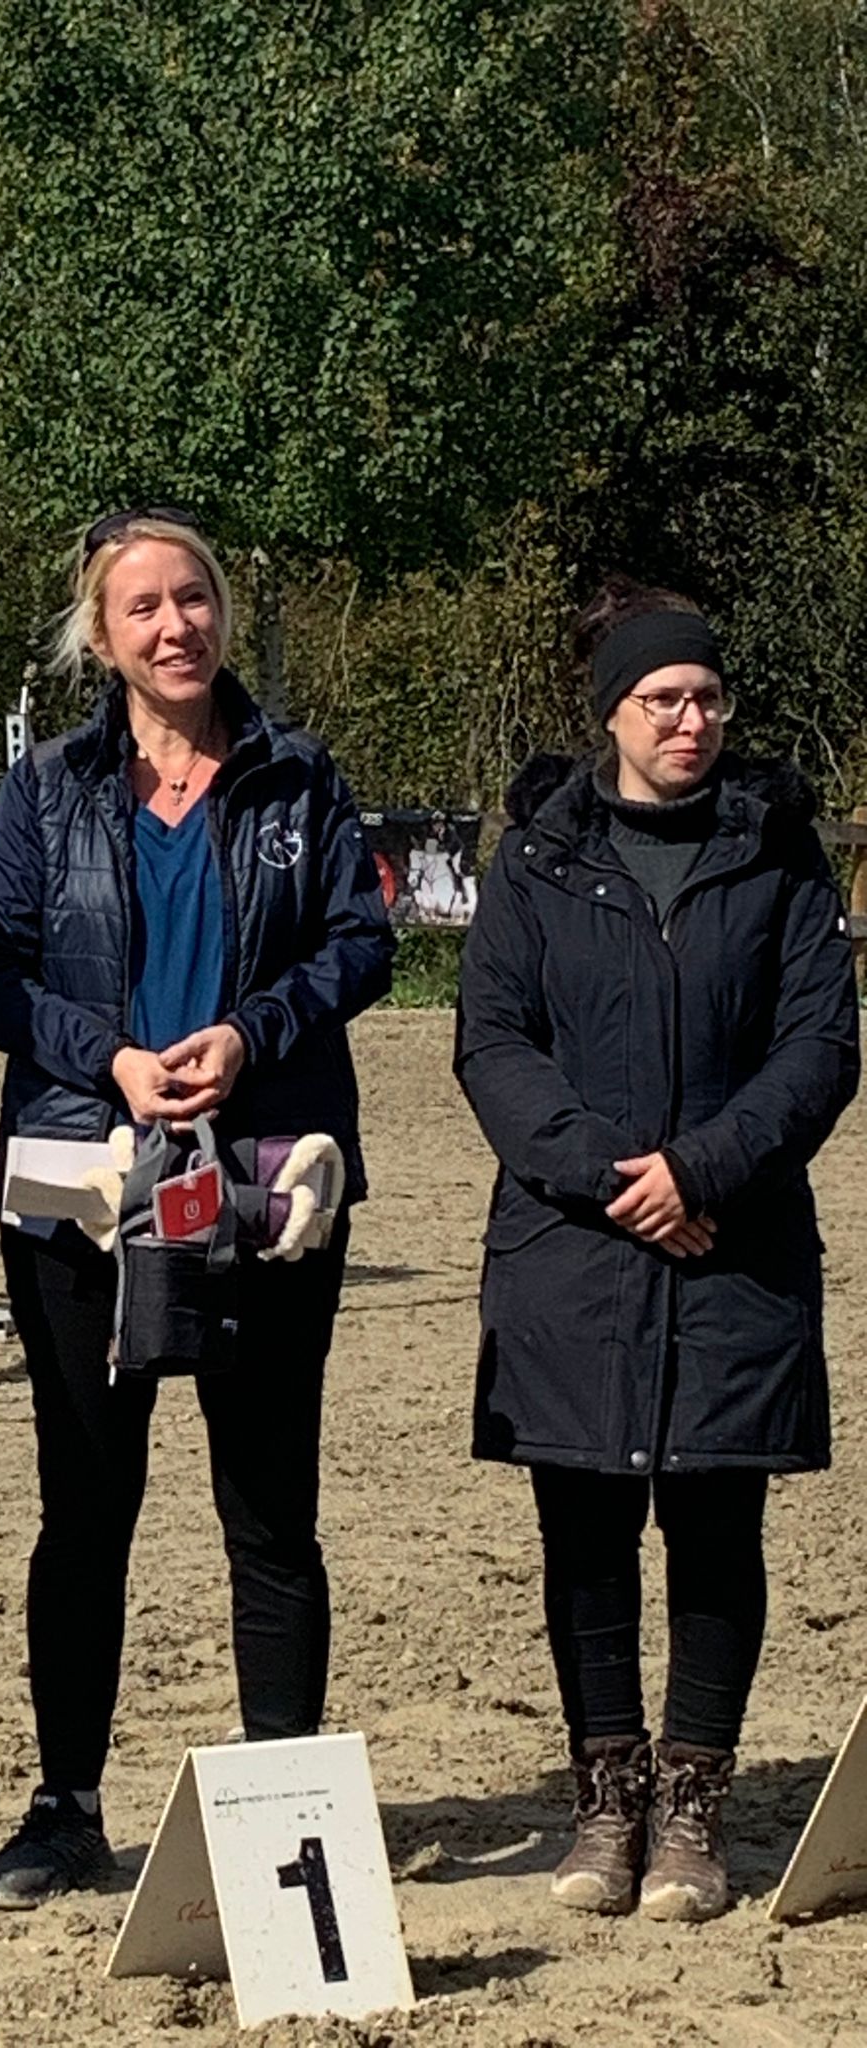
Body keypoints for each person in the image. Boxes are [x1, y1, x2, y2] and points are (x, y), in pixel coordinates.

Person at [0, 507, 395, 1909]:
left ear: (222, 611)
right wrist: (111, 1061)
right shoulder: (45, 791)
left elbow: (363, 943)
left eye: (193, 597)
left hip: (264, 1184)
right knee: (86, 1509)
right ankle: (65, 1808)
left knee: (270, 1509)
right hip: (84, 1193)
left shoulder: (300, 778)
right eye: (142, 606)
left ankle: (282, 1804)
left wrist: (253, 1036)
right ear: (102, 636)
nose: (174, 626)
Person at [455, 576, 859, 1923]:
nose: (692, 721)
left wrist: (703, 1169)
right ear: (612, 713)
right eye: (664, 699)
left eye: (708, 698)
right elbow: (495, 1045)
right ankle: (604, 1796)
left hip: (736, 1244)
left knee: (716, 1526)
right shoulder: (534, 862)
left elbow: (820, 1047)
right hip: (572, 1252)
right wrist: (614, 1178)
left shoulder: (781, 857)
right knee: (583, 1532)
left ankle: (693, 1805)